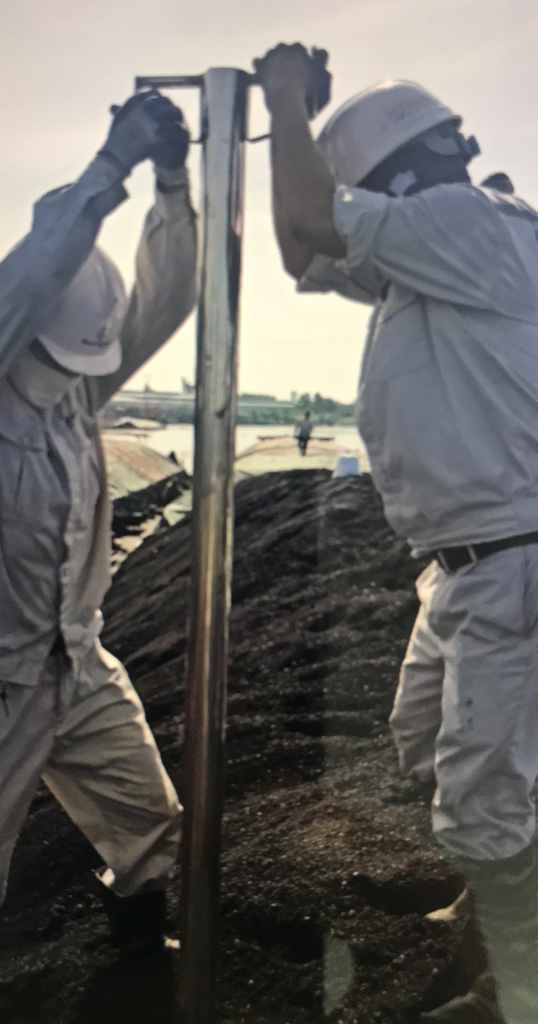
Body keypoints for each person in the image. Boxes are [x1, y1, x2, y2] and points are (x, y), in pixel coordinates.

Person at [255, 42, 538, 1024]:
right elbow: (302, 246)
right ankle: (493, 899)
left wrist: (283, 98)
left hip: (511, 564)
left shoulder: (470, 224)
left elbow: (309, 218)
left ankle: (514, 992)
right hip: (462, 567)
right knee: (421, 742)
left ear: (398, 180)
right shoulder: (424, 264)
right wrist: (295, 129)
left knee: (483, 800)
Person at [0, 89, 197, 1022]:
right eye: (57, 360)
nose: (70, 378)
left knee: (149, 821)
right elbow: (21, 283)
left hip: (75, 662)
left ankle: (136, 956)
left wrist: (171, 184)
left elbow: (167, 301)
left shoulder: (73, 396)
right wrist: (110, 164)